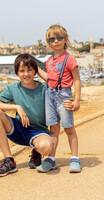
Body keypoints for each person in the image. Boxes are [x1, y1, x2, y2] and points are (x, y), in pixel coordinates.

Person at [0, 54, 53, 177]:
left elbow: (54, 82)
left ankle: (37, 151)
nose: (26, 74)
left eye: (29, 69)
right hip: (18, 129)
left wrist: (36, 66)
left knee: (46, 147)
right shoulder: (13, 88)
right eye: (22, 71)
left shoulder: (44, 89)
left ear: (35, 70)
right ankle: (9, 161)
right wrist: (16, 107)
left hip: (38, 132)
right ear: (17, 73)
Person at [36, 24, 82, 173]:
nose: (56, 41)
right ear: (48, 42)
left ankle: (75, 158)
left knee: (69, 129)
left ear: (65, 39)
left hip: (64, 96)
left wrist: (77, 100)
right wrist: (36, 69)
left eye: (59, 38)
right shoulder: (49, 60)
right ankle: (51, 159)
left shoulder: (69, 58)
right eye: (52, 39)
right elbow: (48, 78)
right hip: (49, 96)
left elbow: (77, 80)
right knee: (53, 129)